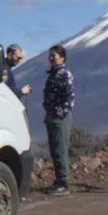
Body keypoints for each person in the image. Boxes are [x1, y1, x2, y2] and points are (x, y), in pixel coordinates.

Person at [42, 45, 75, 195]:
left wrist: (59, 113)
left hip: (59, 117)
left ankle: (63, 182)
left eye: (53, 55)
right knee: (55, 150)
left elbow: (69, 98)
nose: (51, 58)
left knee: (60, 149)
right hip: (52, 116)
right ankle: (58, 180)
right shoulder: (53, 74)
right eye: (50, 55)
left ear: (62, 57)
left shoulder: (64, 74)